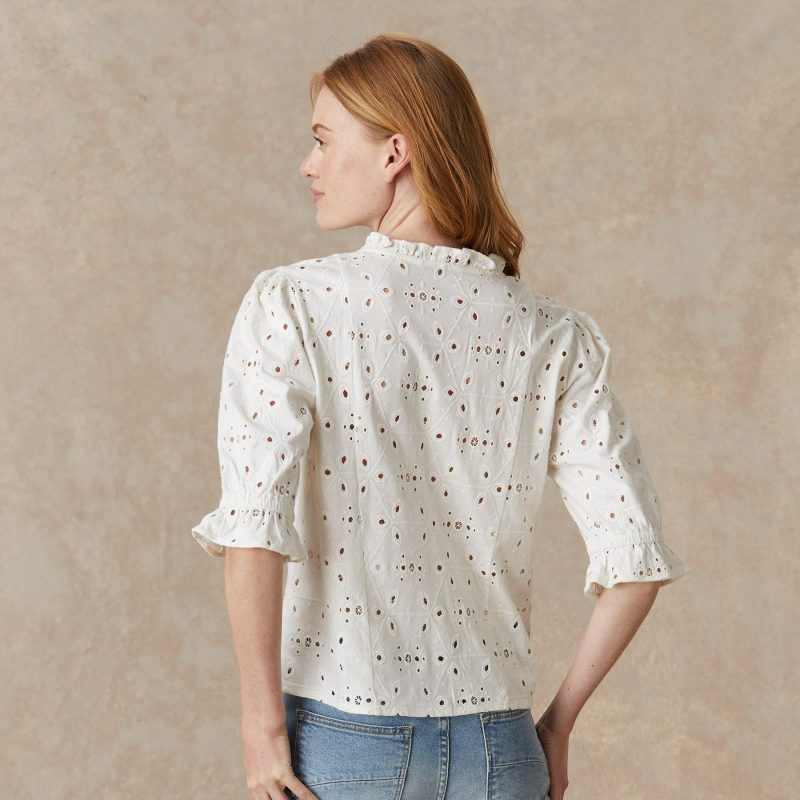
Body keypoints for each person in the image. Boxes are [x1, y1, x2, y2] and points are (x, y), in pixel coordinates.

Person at [191, 33, 690, 800]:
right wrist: (555, 729)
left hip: (341, 743)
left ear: (395, 152)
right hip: (501, 748)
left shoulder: (295, 304)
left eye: (323, 140)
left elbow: (254, 529)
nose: (308, 164)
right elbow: (637, 561)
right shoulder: (554, 335)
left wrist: (262, 732)